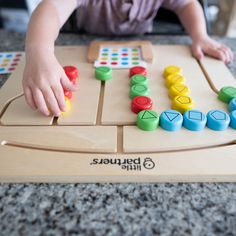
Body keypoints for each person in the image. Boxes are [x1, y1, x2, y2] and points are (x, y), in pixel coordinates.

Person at [23, 0, 234, 117]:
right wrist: (39, 52)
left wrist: (201, 36)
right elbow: (51, 7)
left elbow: (187, 4)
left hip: (139, 42)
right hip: (88, 40)